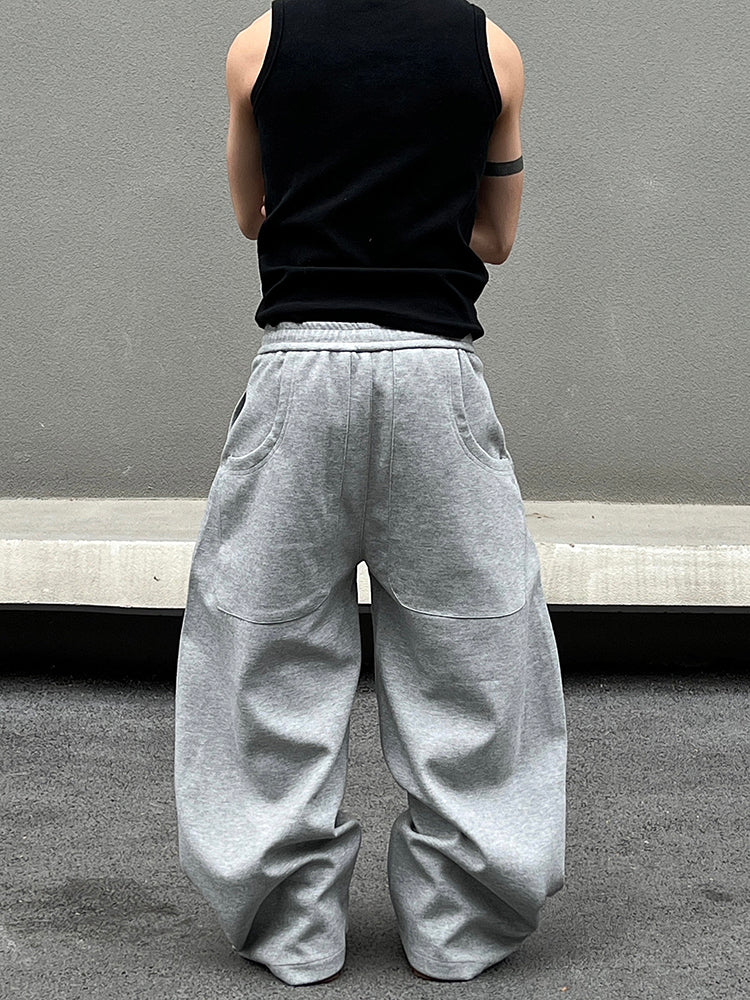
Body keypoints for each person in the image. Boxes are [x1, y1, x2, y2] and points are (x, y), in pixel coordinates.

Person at [174, 0, 567, 987]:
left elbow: (251, 217)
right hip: (435, 375)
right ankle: (459, 929)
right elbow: (497, 237)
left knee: (263, 649)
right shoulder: (493, 49)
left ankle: (293, 930)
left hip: (298, 376)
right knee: (474, 652)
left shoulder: (257, 45)